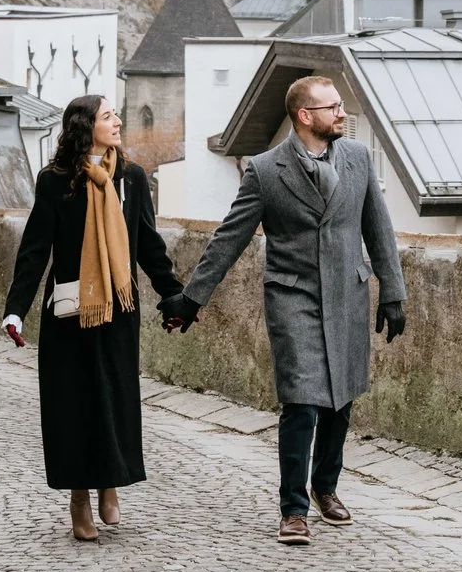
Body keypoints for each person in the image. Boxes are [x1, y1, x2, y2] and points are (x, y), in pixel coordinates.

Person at [159, 75, 405, 544]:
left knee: (341, 400)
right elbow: (229, 238)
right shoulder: (267, 171)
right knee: (303, 400)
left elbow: (378, 227)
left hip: (348, 293)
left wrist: (393, 292)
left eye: (340, 106)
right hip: (293, 296)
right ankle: (293, 509)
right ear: (305, 116)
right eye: (332, 108)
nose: (342, 114)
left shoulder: (356, 158)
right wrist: (192, 299)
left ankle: (325, 488)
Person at [2, 95, 183, 542]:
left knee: (115, 399)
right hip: (68, 314)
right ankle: (78, 496)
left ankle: (110, 483)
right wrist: (15, 310)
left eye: (116, 115)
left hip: (118, 311)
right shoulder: (56, 181)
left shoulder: (132, 179)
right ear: (86, 126)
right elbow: (34, 250)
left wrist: (175, 297)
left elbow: (149, 246)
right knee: (72, 405)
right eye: (108, 116)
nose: (118, 121)